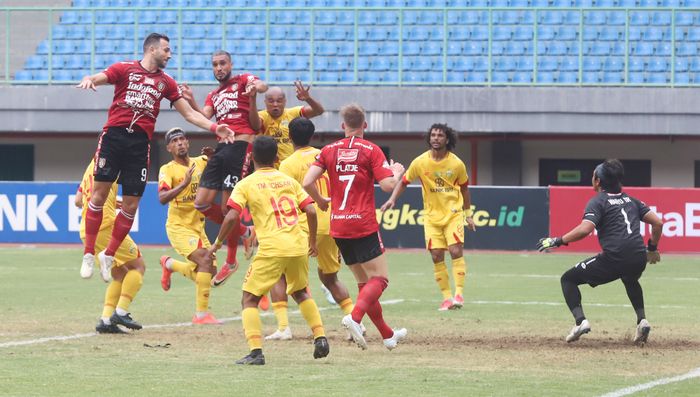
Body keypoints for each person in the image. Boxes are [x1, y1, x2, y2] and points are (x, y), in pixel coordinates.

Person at [76, 33, 235, 283]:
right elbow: (101, 77)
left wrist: (216, 128)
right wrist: (89, 79)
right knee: (98, 194)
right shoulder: (125, 68)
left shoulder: (166, 82)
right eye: (167, 50)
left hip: (139, 143)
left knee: (130, 205)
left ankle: (108, 255)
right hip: (114, 137)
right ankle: (88, 254)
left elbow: (191, 116)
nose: (170, 54)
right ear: (152, 50)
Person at [207, 136, 329, 365]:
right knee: (301, 291)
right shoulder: (289, 181)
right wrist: (312, 242)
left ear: (251, 157)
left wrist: (216, 243)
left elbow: (232, 215)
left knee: (249, 299)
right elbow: (311, 211)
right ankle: (320, 336)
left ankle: (256, 352)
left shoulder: (246, 184)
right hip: (297, 245)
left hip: (272, 248)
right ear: (276, 157)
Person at [303, 103, 407, 351]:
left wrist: (320, 201)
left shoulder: (329, 150)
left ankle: (388, 335)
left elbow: (307, 181)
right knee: (379, 279)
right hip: (362, 222)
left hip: (338, 225)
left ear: (343, 126)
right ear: (365, 125)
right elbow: (387, 186)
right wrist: (396, 171)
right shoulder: (371, 150)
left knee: (364, 283)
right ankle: (355, 318)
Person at [536, 159, 663, 344]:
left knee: (568, 279)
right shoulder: (632, 200)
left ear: (598, 181)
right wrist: (652, 248)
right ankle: (642, 320)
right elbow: (658, 223)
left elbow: (585, 229)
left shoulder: (599, 202)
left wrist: (558, 241)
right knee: (630, 279)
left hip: (615, 258)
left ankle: (581, 322)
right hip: (638, 257)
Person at [181, 49, 266, 289]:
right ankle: (245, 232)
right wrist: (191, 101)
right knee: (201, 202)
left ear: (230, 64)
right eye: (215, 64)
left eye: (222, 63)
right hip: (222, 147)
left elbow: (263, 85)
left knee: (228, 207)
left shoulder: (243, 81)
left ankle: (230, 260)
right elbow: (204, 117)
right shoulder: (213, 94)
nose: (219, 68)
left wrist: (256, 89)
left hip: (242, 145)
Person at [266, 117, 357, 341]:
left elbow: (286, 200)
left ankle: (284, 327)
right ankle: (355, 323)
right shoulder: (327, 154)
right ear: (313, 135)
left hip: (304, 226)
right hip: (333, 222)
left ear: (289, 137)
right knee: (330, 278)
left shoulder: (287, 164)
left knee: (280, 275)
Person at [381, 124, 476, 311]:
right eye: (433, 135)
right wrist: (392, 199)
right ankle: (447, 298)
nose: (435, 138)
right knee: (436, 255)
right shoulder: (420, 162)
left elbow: (465, 189)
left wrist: (468, 214)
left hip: (453, 214)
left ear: (447, 139)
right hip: (432, 217)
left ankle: (459, 295)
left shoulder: (456, 163)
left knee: (455, 250)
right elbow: (404, 182)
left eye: (440, 135)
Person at [157, 128, 221, 325]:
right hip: (179, 226)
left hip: (198, 225)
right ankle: (201, 316)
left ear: (188, 142)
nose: (180, 143)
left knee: (210, 273)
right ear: (169, 147)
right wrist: (183, 185)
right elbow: (162, 198)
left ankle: (170, 265)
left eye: (182, 139)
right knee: (204, 260)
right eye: (175, 141)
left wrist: (215, 158)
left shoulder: (200, 161)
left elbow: (222, 170)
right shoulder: (167, 169)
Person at [76, 159, 145, 333]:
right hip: (105, 226)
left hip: (88, 229)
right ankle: (121, 311)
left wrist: (113, 202)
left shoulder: (91, 167)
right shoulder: (111, 165)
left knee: (119, 273)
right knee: (138, 266)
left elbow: (78, 200)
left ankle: (106, 320)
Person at [258, 81, 325, 165]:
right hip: (270, 170)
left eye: (279, 101)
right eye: (271, 101)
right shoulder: (260, 117)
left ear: (285, 101)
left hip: (292, 167)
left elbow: (319, 111)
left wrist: (308, 99)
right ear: (265, 102)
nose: (275, 104)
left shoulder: (293, 113)